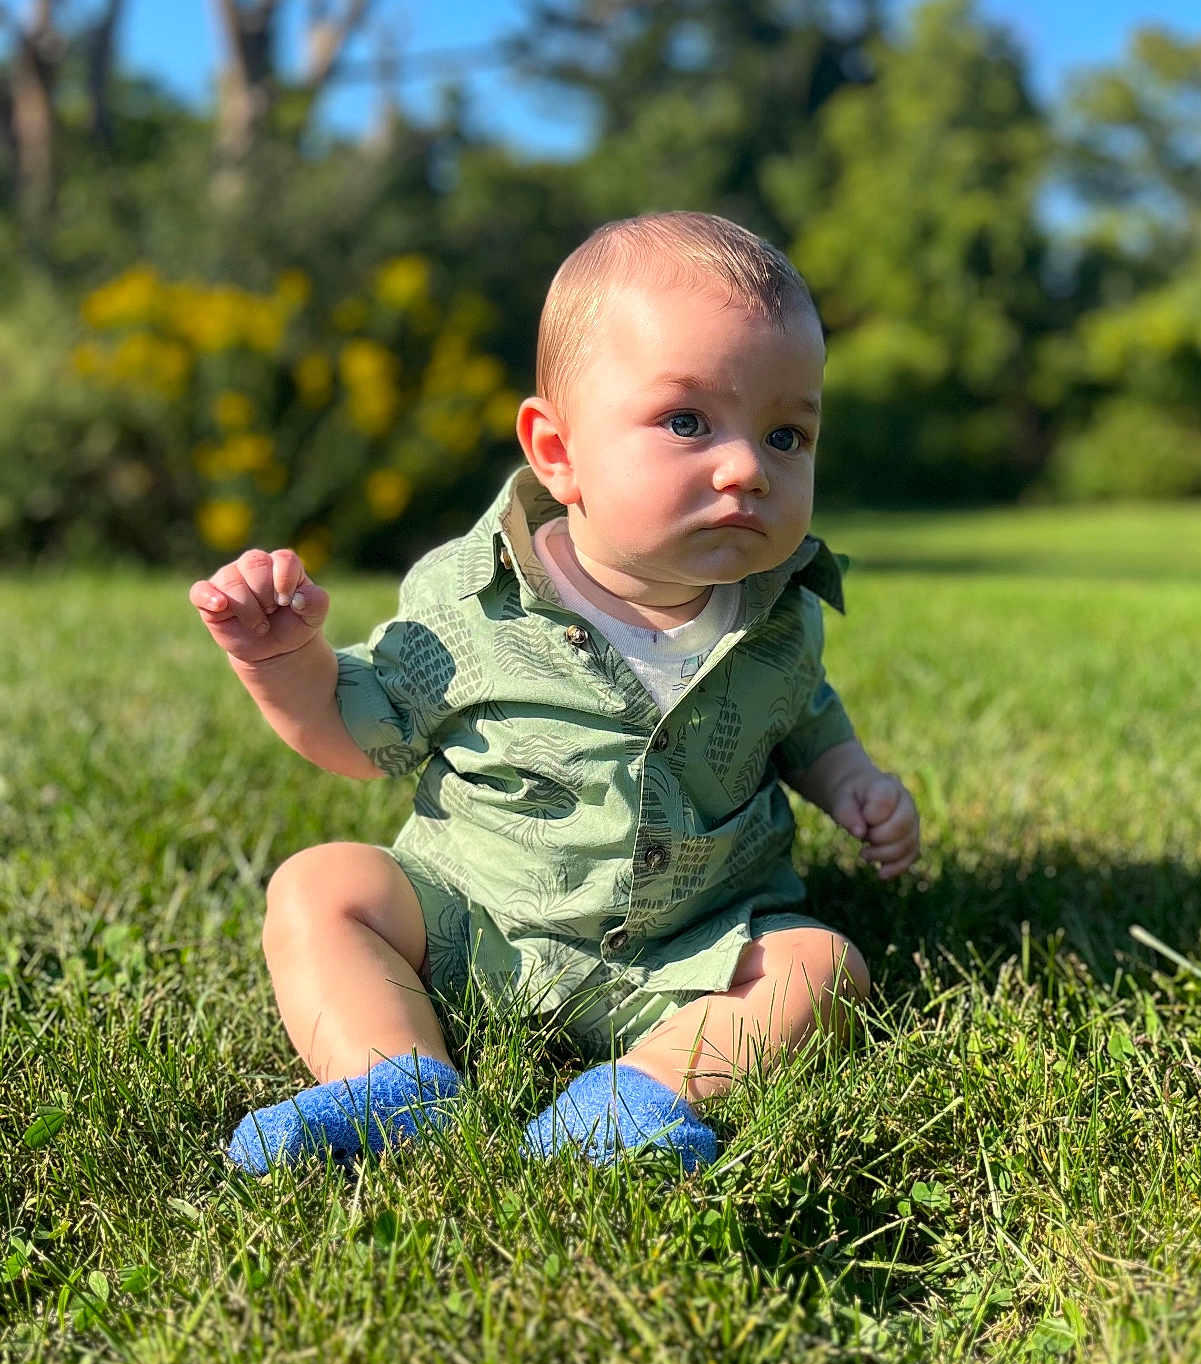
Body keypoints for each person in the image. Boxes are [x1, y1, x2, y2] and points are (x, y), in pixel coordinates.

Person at [189, 211, 920, 1176]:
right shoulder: (471, 601)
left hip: (698, 948)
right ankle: (395, 1083)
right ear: (557, 451)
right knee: (320, 888)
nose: (747, 467)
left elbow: (805, 719)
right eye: (688, 422)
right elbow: (355, 734)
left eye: (787, 433)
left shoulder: (778, 614)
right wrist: (283, 663)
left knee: (823, 970)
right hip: (477, 921)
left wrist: (853, 780)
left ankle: (640, 1099)